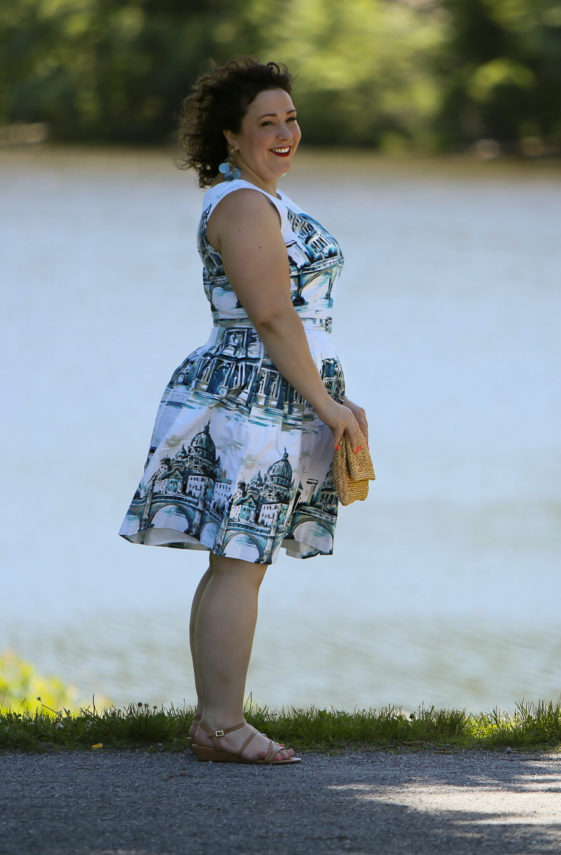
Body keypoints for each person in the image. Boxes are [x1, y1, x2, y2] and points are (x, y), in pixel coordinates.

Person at [119, 57, 368, 764]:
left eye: (290, 117)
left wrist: (338, 400)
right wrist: (327, 404)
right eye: (267, 122)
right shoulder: (241, 205)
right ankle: (222, 723)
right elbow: (269, 315)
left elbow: (297, 322)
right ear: (232, 135)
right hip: (255, 392)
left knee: (238, 560)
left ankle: (215, 720)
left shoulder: (263, 200)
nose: (286, 131)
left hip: (275, 386)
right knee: (240, 559)